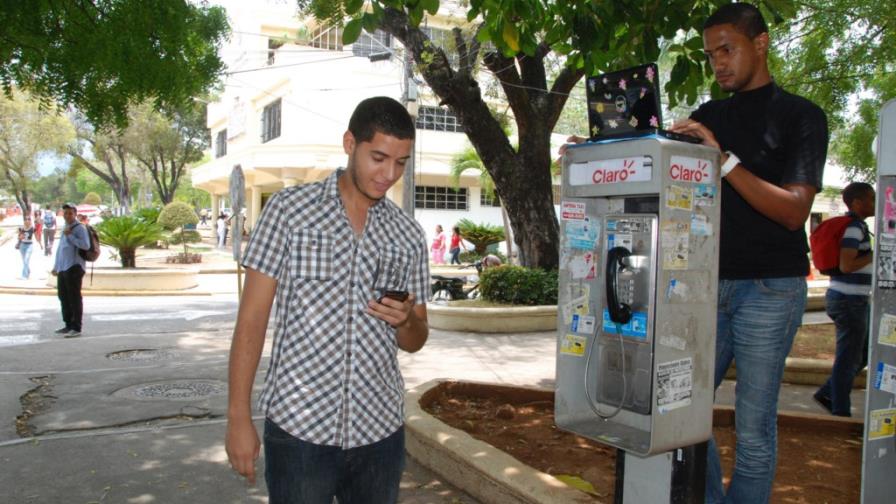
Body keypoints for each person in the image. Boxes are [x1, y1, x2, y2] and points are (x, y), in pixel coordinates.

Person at [225, 96, 429, 503]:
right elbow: (251, 322)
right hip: (300, 432)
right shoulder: (289, 213)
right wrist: (238, 418)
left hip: (379, 433)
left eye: (401, 162)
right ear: (350, 143)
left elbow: (416, 337)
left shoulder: (408, 235)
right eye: (378, 157)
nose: (389, 174)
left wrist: (405, 320)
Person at [668, 4, 828, 503]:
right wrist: (602, 147)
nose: (718, 63)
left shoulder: (801, 116)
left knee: (754, 426)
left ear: (760, 44)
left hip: (770, 288)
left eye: (727, 49)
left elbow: (793, 211)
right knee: (681, 407)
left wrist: (725, 161)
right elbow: (658, 162)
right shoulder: (709, 116)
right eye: (710, 53)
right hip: (705, 285)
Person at [813, 182, 875, 417]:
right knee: (848, 358)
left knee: (863, 353)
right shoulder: (854, 228)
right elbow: (846, 265)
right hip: (849, 301)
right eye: (871, 198)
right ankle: (840, 412)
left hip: (852, 300)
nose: (874, 203)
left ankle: (828, 392)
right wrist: (872, 254)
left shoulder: (857, 227)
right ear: (858, 203)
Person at [52, 203, 90, 337]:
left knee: (74, 298)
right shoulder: (65, 227)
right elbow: (60, 249)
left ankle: (76, 327)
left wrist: (71, 236)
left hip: (74, 267)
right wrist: (56, 266)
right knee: (63, 297)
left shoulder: (79, 228)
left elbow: (85, 245)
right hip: (63, 267)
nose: (67, 215)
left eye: (70, 213)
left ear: (75, 214)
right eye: (65, 213)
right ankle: (68, 324)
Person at [16, 215, 38, 279]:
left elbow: (36, 237)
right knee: (24, 261)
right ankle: (28, 270)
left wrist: (40, 244)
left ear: (30, 221)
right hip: (22, 245)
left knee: (26, 260)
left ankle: (24, 275)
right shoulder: (21, 228)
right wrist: (20, 237)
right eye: (26, 219)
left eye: (29, 219)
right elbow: (18, 237)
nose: (27, 220)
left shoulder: (33, 228)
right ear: (24, 221)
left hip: (29, 245)